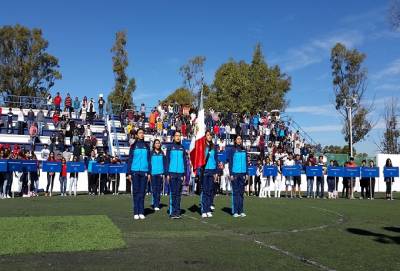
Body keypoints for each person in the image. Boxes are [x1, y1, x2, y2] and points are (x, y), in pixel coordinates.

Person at [127, 128, 151, 220]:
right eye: (140, 133)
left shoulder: (147, 146)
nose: (142, 134)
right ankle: (136, 212)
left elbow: (149, 160)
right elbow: (130, 159)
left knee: (142, 192)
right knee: (136, 192)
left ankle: (141, 211)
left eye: (143, 133)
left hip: (144, 172)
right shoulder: (133, 146)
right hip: (135, 171)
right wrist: (129, 172)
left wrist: (149, 172)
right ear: (137, 135)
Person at [166, 131, 187, 219]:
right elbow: (167, 161)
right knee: (173, 193)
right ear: (173, 137)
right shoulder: (170, 147)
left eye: (179, 136)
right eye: (176, 136)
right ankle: (172, 212)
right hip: (172, 173)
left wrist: (184, 173)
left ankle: (177, 212)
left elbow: (185, 162)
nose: (178, 137)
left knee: (178, 193)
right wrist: (167, 173)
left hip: (180, 173)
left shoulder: (182, 148)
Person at [229, 135, 248, 217]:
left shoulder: (244, 149)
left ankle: (241, 211)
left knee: (241, 193)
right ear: (235, 140)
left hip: (243, 173)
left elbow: (246, 162)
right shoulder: (232, 149)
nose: (239, 140)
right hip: (235, 173)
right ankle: (235, 211)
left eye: (240, 139)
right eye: (238, 139)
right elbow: (230, 162)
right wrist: (231, 174)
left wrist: (247, 173)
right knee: (235, 193)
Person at [200, 131, 218, 218]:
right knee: (205, 191)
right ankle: (204, 210)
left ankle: (208, 209)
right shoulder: (202, 146)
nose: (209, 136)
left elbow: (216, 159)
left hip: (212, 171)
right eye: (208, 135)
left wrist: (216, 172)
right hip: (204, 171)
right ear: (205, 137)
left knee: (210, 191)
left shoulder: (214, 147)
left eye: (210, 135)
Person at [148, 139, 166, 211]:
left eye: (158, 143)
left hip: (160, 174)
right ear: (154, 145)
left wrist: (164, 173)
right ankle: (155, 204)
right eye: (156, 143)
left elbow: (165, 163)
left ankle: (157, 203)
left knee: (159, 190)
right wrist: (149, 173)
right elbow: (149, 164)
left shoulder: (162, 153)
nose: (158, 144)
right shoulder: (151, 153)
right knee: (154, 189)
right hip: (153, 174)